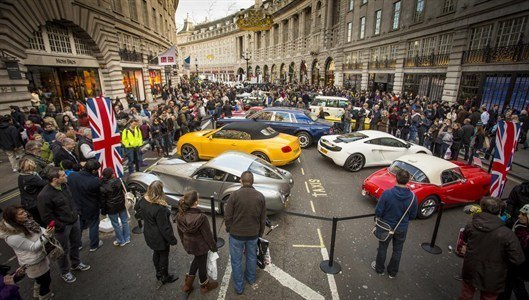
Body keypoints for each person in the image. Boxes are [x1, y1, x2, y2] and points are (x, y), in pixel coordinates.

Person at [459, 197, 524, 299]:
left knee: (466, 294)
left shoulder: (471, 226)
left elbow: (464, 239)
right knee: (488, 297)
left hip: (471, 268)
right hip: (494, 275)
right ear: (500, 211)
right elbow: (517, 259)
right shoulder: (508, 234)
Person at [37, 167, 90, 283]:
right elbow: (46, 216)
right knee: (63, 251)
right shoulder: (44, 195)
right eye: (63, 175)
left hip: (74, 221)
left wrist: (77, 213)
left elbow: (71, 201)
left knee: (75, 244)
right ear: (55, 179)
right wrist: (61, 226)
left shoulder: (64, 185)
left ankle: (76, 263)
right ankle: (65, 271)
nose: (66, 176)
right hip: (63, 227)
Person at [224, 171, 266, 295]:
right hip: (253, 234)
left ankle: (239, 288)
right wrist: (260, 233)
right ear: (252, 182)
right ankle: (251, 279)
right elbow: (262, 218)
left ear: (241, 181)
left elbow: (227, 215)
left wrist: (229, 228)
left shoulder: (234, 195)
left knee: (236, 261)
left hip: (236, 234)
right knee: (252, 257)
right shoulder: (260, 196)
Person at [372, 169, 418, 278]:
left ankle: (380, 269)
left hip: (386, 226)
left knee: (383, 247)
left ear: (396, 178)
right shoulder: (412, 197)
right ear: (408, 181)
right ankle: (392, 272)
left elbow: (378, 211)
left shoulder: (387, 194)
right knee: (397, 250)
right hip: (401, 228)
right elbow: (413, 215)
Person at [0, 206, 53, 300]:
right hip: (33, 262)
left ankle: (37, 294)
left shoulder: (26, 222)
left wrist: (46, 231)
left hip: (40, 257)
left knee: (41, 279)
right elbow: (33, 247)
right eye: (21, 213)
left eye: (24, 211)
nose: (25, 214)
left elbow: (39, 229)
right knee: (45, 281)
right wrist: (47, 236)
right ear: (13, 218)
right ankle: (44, 296)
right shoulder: (13, 237)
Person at [134, 181, 178, 286]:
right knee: (163, 255)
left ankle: (158, 273)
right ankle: (164, 276)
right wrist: (172, 239)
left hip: (149, 232)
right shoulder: (159, 208)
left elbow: (136, 208)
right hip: (159, 236)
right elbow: (164, 228)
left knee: (156, 253)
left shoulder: (144, 200)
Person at [176, 190, 219, 294]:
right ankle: (205, 286)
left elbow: (180, 233)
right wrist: (214, 247)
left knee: (197, 259)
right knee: (202, 265)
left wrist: (184, 244)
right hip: (201, 246)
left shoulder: (180, 215)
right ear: (196, 202)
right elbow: (208, 235)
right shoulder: (201, 217)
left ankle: (188, 284)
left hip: (189, 245)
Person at [67, 159, 103, 252]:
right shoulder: (94, 181)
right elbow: (100, 194)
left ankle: (78, 244)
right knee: (93, 225)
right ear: (94, 171)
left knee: (79, 226)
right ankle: (94, 244)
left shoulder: (72, 176)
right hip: (91, 207)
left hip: (77, 206)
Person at [498, 204, 529, 300]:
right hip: (514, 263)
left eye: (523, 214)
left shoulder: (526, 236)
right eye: (520, 213)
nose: (519, 216)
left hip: (519, 265)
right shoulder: (520, 225)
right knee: (513, 284)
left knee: (513, 284)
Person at [99, 168, 131, 247]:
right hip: (121, 204)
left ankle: (121, 240)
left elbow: (102, 200)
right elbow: (127, 188)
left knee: (115, 224)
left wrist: (103, 210)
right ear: (112, 174)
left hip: (111, 208)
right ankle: (127, 238)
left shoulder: (102, 186)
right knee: (124, 221)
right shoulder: (119, 181)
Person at [18, 158, 47, 226]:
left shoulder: (21, 176)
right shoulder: (32, 178)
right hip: (35, 203)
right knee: (42, 219)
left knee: (37, 219)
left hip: (27, 202)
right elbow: (45, 183)